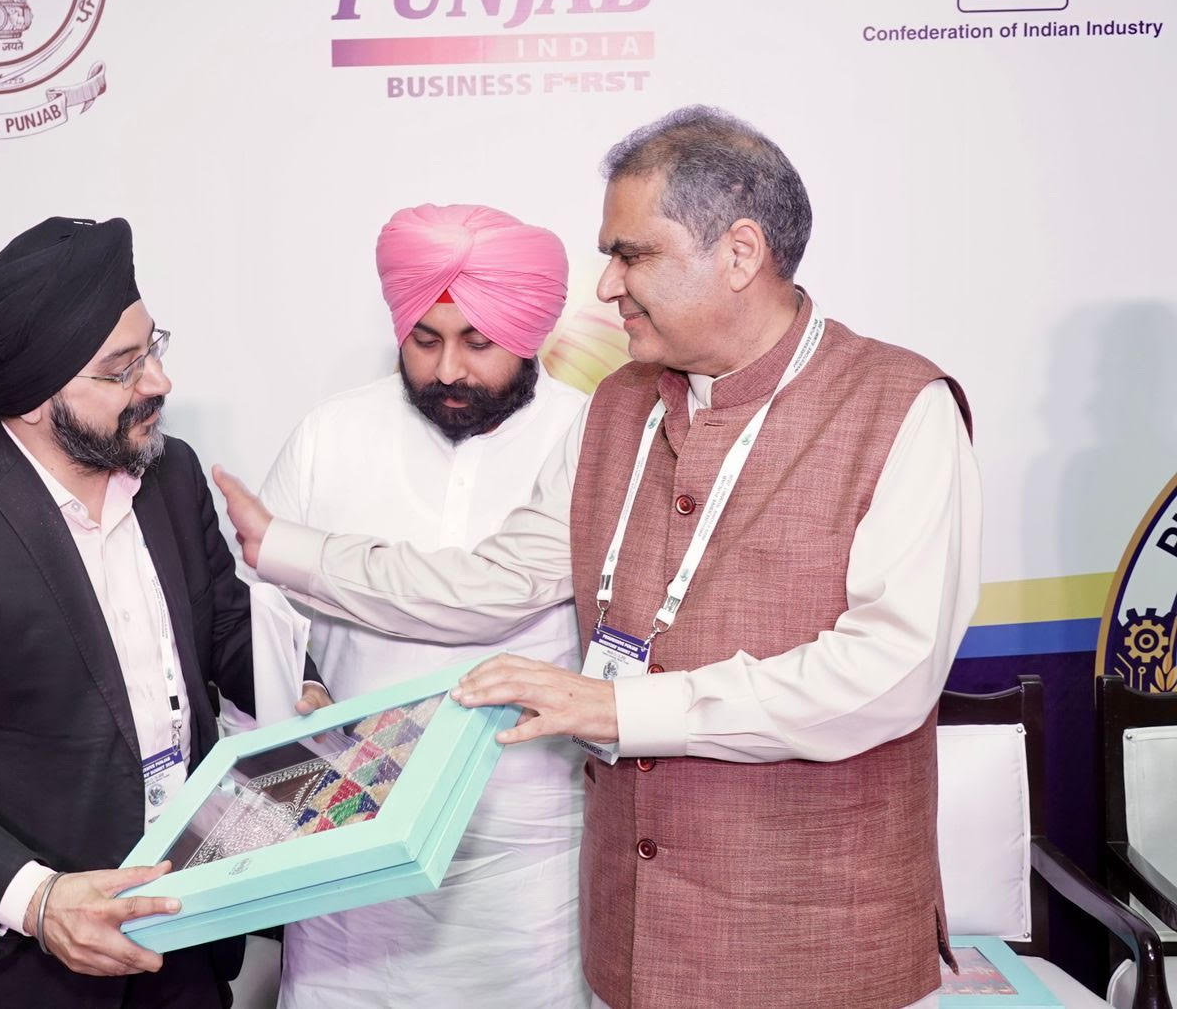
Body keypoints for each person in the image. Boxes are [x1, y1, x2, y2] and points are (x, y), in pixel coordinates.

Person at [215, 107, 981, 1009]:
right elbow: (498, 581)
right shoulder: (620, 406)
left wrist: (623, 708)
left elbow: (889, 674)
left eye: (632, 255)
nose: (608, 285)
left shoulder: (901, 407)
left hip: (816, 941)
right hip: (633, 937)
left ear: (739, 254)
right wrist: (287, 548)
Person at [0, 216, 329, 1008]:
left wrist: (305, 691)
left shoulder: (170, 475)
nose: (158, 382)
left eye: (152, 348)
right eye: (122, 369)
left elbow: (224, 622)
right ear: (33, 401)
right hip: (16, 970)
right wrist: (40, 900)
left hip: (179, 937)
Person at [260, 203, 589, 1007]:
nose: (448, 370)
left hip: (531, 861)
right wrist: (298, 695)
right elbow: (260, 623)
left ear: (530, 332)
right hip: (350, 848)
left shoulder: (589, 438)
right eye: (424, 339)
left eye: (478, 342)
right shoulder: (330, 434)